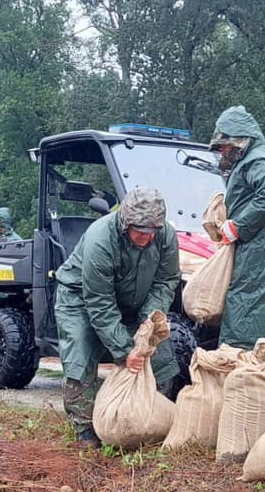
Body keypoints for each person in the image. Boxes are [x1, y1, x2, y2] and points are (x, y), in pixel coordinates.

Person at [54, 187, 181, 448]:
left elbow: (166, 280)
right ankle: (85, 427)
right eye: (140, 232)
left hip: (134, 299)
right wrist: (125, 350)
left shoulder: (165, 235)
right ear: (126, 223)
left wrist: (149, 321)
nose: (146, 238)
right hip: (80, 298)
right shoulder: (102, 239)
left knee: (160, 351)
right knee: (80, 351)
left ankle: (147, 415)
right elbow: (99, 303)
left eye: (151, 232)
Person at [210, 106, 265, 350]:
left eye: (224, 145)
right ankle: (246, 376)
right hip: (263, 252)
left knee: (244, 316)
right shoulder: (259, 158)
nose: (222, 151)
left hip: (259, 256)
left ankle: (238, 377)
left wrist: (238, 225)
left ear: (239, 140)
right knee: (256, 320)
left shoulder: (257, 160)